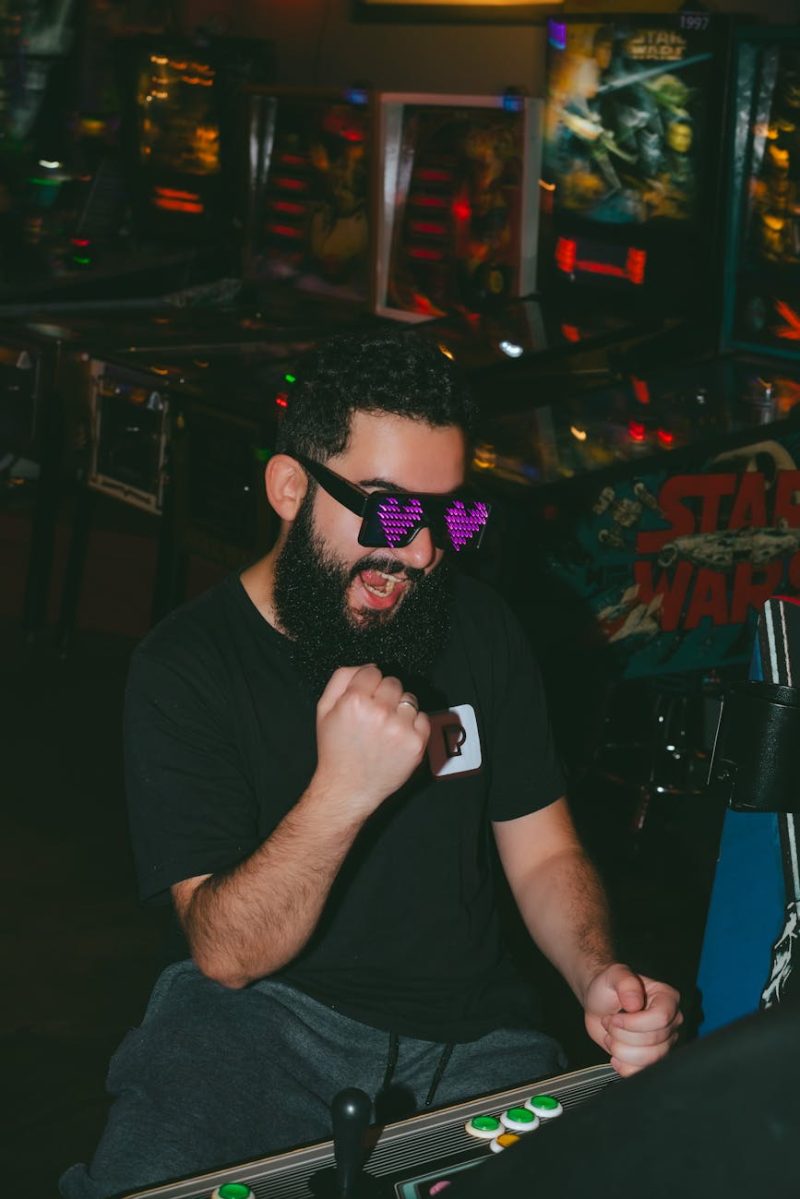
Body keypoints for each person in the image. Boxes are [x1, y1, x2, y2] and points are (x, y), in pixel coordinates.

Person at [60, 331, 681, 1198]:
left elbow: (543, 851)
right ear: (289, 487)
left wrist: (597, 973)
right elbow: (225, 953)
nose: (423, 552)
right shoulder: (186, 664)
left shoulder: (481, 628)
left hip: (475, 1039)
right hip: (253, 1027)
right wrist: (341, 792)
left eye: (451, 516)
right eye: (390, 513)